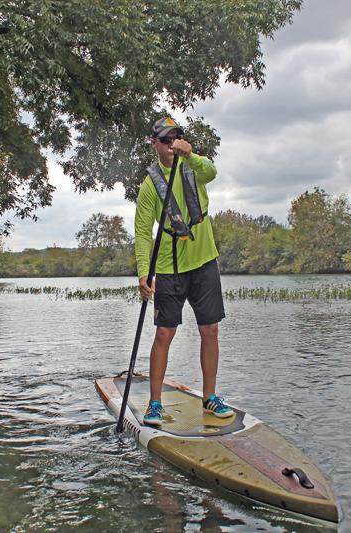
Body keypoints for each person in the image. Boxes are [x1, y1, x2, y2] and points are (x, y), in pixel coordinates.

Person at [134, 116, 234, 426]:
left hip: (204, 259)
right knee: (164, 333)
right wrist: (143, 274)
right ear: (155, 143)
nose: (172, 143)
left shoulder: (194, 166)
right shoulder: (150, 185)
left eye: (176, 137)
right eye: (166, 139)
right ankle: (154, 404)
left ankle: (210, 398)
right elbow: (142, 231)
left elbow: (213, 171)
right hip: (169, 266)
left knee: (211, 330)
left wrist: (190, 153)